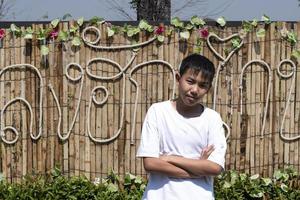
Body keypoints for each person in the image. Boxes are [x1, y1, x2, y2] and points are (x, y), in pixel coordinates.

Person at [136, 54, 227, 200]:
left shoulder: (212, 119)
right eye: (190, 81)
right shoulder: (158, 111)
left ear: (208, 88)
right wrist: (198, 167)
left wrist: (169, 158)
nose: (195, 90)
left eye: (202, 85)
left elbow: (214, 167)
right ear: (178, 79)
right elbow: (151, 163)